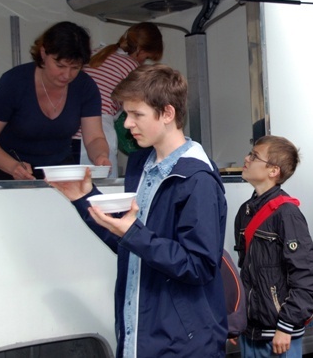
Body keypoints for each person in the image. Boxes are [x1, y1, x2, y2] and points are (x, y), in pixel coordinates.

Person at [49, 64, 228, 357]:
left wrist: (133, 233)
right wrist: (83, 197)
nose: (127, 124)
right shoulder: (140, 165)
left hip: (183, 344)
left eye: (137, 114)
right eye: (125, 114)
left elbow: (199, 265)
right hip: (139, 336)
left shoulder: (197, 179)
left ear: (168, 113)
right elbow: (129, 242)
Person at [0, 21, 110, 180]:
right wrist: (12, 166)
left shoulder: (85, 86)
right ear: (44, 53)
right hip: (10, 170)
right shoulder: (13, 82)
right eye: (60, 66)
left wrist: (100, 156)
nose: (66, 75)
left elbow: (94, 138)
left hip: (60, 173)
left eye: (75, 68)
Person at [233, 136, 313, 358]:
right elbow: (247, 271)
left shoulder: (287, 214)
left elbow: (308, 277)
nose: (246, 158)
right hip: (250, 331)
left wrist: (286, 325)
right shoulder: (245, 211)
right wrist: (236, 318)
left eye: (254, 156)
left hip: (279, 336)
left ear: (273, 171)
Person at [76, 22, 164, 177]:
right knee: (103, 183)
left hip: (74, 128)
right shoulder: (131, 67)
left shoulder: (98, 53)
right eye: (146, 57)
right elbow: (143, 103)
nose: (144, 61)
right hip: (99, 127)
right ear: (140, 50)